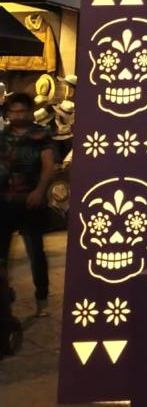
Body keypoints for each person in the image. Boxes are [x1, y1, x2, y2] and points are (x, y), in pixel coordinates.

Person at [0, 92, 57, 316]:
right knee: (1, 254)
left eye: (22, 110)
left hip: (31, 201)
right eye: (13, 111)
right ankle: (4, 296)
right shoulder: (2, 136)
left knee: (35, 251)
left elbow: (48, 166)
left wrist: (40, 191)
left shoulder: (41, 134)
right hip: (4, 202)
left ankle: (41, 296)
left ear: (30, 111)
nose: (17, 114)